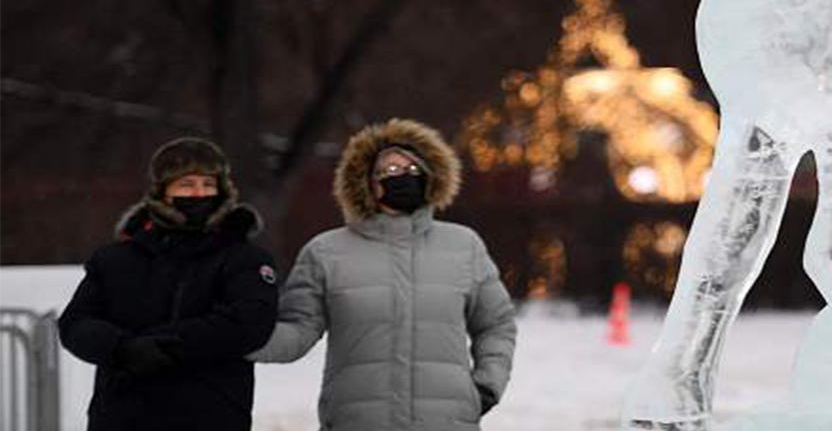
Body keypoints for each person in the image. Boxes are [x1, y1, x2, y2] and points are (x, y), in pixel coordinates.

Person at [253, 117, 516, 430]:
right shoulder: (326, 252)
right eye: (390, 170)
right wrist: (234, 336)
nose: (403, 177)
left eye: (413, 170)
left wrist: (487, 385)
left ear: (431, 177)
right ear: (366, 182)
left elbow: (496, 324)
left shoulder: (464, 246)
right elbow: (297, 331)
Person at [59, 137, 279, 431]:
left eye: (208, 184)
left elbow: (250, 322)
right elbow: (75, 323)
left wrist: (166, 344)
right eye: (186, 184)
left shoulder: (244, 257)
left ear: (223, 190)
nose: (199, 193)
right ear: (162, 192)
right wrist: (122, 348)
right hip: (122, 416)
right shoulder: (115, 259)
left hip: (211, 417)